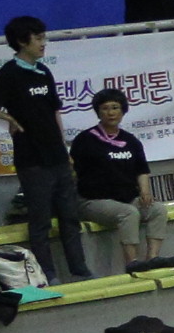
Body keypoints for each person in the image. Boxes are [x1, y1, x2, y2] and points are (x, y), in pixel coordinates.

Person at [0, 16, 80, 282]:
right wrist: (7, 117)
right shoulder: (10, 73)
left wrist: (64, 147)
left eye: (44, 37)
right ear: (22, 41)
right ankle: (48, 273)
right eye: (38, 38)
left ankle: (80, 269)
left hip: (57, 155)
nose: (44, 43)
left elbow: (55, 112)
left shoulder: (43, 71)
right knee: (40, 220)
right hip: (32, 158)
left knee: (69, 216)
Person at [69, 86, 168, 272]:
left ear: (123, 111)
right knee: (129, 213)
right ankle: (132, 262)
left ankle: (153, 258)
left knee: (158, 210)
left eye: (115, 108)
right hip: (93, 201)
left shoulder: (131, 141)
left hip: (126, 198)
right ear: (98, 112)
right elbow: (73, 170)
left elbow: (141, 170)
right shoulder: (85, 139)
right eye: (105, 108)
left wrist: (145, 191)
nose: (111, 113)